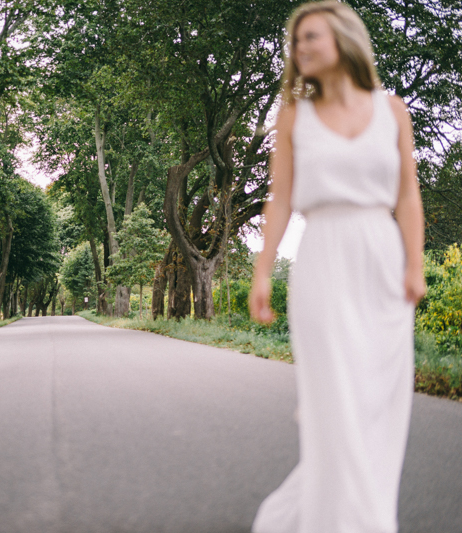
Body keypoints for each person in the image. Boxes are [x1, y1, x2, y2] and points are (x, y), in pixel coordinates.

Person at [248, 2, 425, 532]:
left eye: (311, 37)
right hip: (324, 257)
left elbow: (408, 194)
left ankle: (326, 513)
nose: (299, 48)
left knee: (377, 400)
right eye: (295, 40)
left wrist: (414, 266)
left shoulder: (392, 110)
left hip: (382, 260)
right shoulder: (293, 117)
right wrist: (262, 269)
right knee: (334, 399)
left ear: (344, 40)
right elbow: (279, 201)